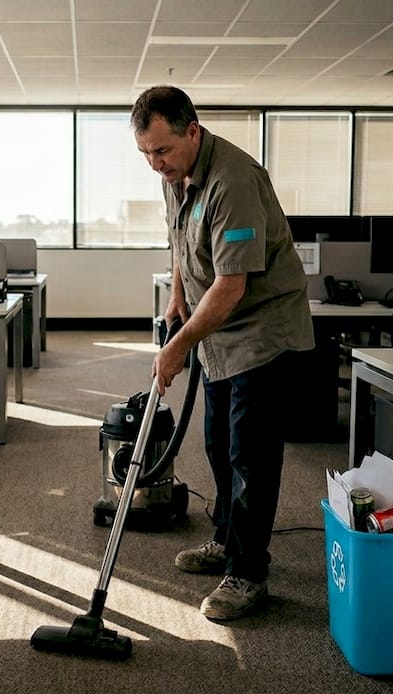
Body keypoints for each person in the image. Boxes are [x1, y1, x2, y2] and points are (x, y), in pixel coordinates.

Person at [131, 86, 314, 621]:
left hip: (261, 331)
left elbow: (232, 287)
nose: (154, 164)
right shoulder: (176, 174)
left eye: (161, 151)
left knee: (249, 456)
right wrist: (176, 299)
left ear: (192, 131)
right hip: (217, 331)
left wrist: (179, 346)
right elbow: (180, 241)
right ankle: (226, 540)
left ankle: (248, 572)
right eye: (145, 153)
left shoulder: (233, 179)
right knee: (217, 443)